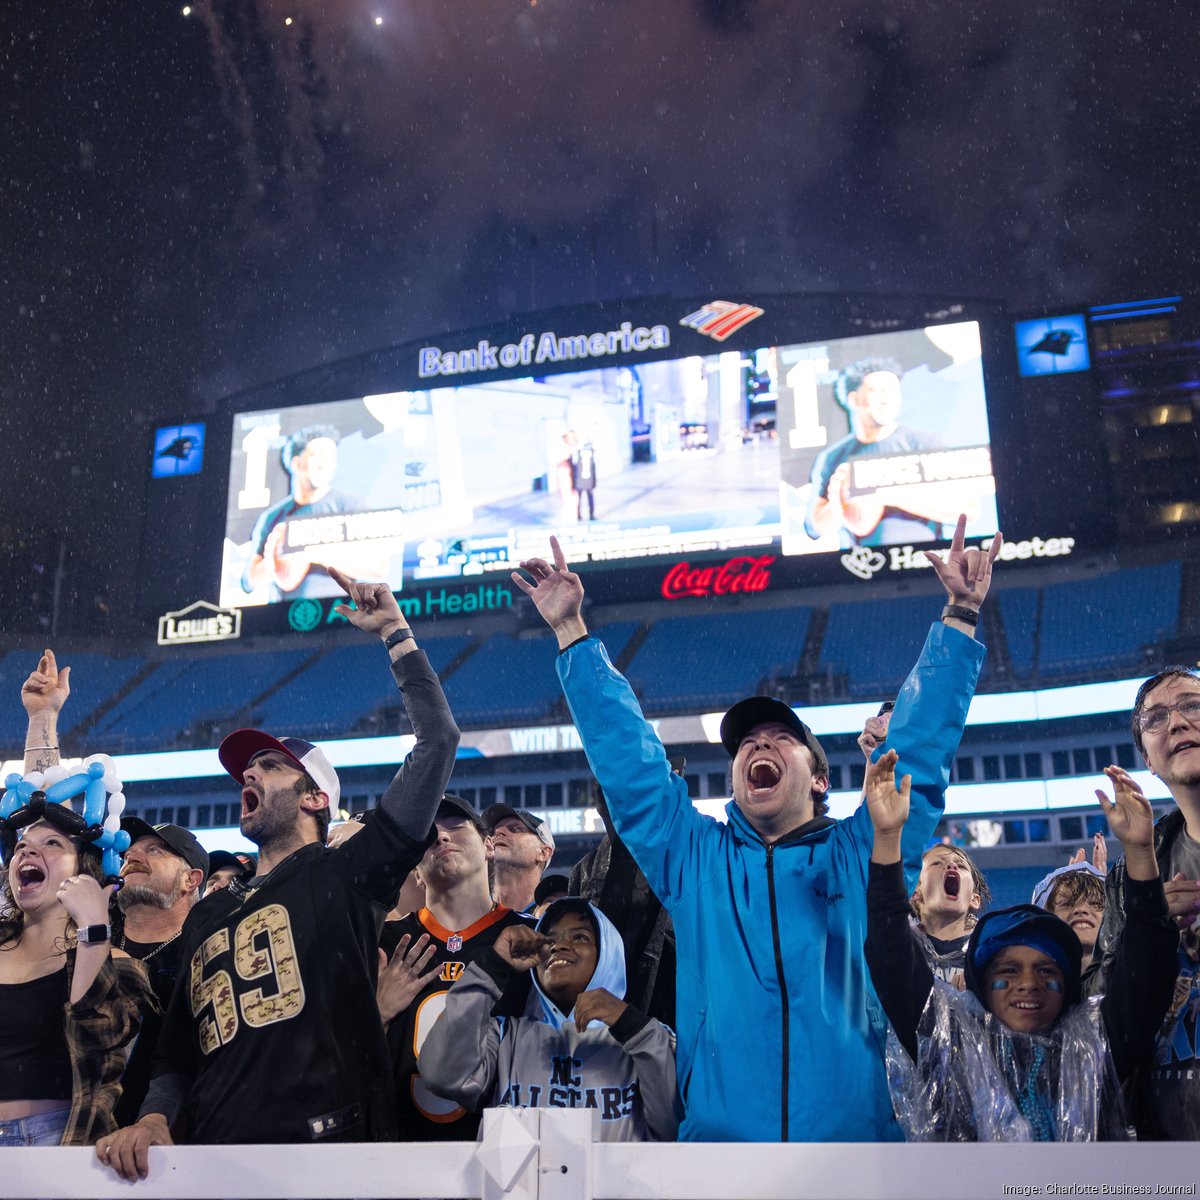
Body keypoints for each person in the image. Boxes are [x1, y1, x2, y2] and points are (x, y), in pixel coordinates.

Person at [511, 516, 998, 1142]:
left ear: (818, 778)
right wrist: (572, 633)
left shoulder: (863, 848)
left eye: (781, 739)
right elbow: (632, 771)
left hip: (853, 1154)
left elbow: (919, 758)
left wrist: (959, 615)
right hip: (722, 1153)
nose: (757, 745)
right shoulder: (695, 859)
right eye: (746, 743)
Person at [97, 567, 460, 1180]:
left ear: (316, 798)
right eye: (248, 768)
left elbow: (438, 741)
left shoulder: (347, 870)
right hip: (216, 1163)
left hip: (328, 1159)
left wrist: (395, 633)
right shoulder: (210, 911)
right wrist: (158, 1117)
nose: (249, 775)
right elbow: (178, 1053)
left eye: (268, 766)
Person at [863, 750, 1178, 1140]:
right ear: (979, 982)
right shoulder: (950, 1043)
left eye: (1046, 970)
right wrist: (888, 837)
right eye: (1008, 971)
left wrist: (1140, 853)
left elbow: (1149, 966)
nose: (1028, 983)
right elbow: (888, 947)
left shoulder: (1095, 1045)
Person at [419, 898, 678, 1142]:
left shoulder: (646, 1042)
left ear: (609, 954)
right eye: (550, 940)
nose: (559, 946)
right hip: (516, 1190)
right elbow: (442, 1076)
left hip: (618, 1189)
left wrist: (630, 1025)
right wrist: (493, 965)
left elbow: (673, 1125)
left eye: (580, 936)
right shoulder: (505, 1037)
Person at [1083, 667, 1200, 1139]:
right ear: (1149, 761)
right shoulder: (1131, 878)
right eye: (1156, 718)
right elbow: (1100, 1015)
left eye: (1192, 706)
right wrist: (1147, 927)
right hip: (1162, 1146)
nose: (1176, 723)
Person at [0, 811, 153, 1146]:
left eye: (52, 843)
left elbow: (100, 1042)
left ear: (84, 870)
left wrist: (94, 931)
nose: (26, 852)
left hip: (52, 1139)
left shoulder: (118, 962)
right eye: (21, 846)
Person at [378, 794, 525, 1141]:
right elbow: (343, 1062)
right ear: (414, 866)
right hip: (399, 1154)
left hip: (506, 1155)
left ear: (489, 845)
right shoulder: (386, 941)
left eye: (456, 826)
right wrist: (378, 1012)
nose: (441, 837)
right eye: (429, 835)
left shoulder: (529, 937)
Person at [804, 357, 966, 547]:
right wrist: (840, 501)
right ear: (854, 399)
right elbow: (813, 527)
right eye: (878, 391)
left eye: (893, 391)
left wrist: (887, 492)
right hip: (861, 567)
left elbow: (968, 510)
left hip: (925, 562)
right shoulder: (833, 457)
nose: (887, 399)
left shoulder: (926, 443)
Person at [111, 819, 209, 1128]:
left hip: (162, 1144)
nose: (132, 857)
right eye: (129, 851)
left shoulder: (205, 954)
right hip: (64, 1131)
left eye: (154, 850)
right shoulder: (85, 936)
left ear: (190, 880)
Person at [909, 843, 991, 987]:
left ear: (974, 899)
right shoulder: (897, 945)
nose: (952, 865)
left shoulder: (991, 954)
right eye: (937, 863)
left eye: (961, 866)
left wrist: (981, 994)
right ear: (916, 892)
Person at [483, 804, 555, 914]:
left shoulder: (556, 917)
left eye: (516, 829)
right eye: (492, 832)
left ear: (543, 852)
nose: (498, 832)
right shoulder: (466, 914)